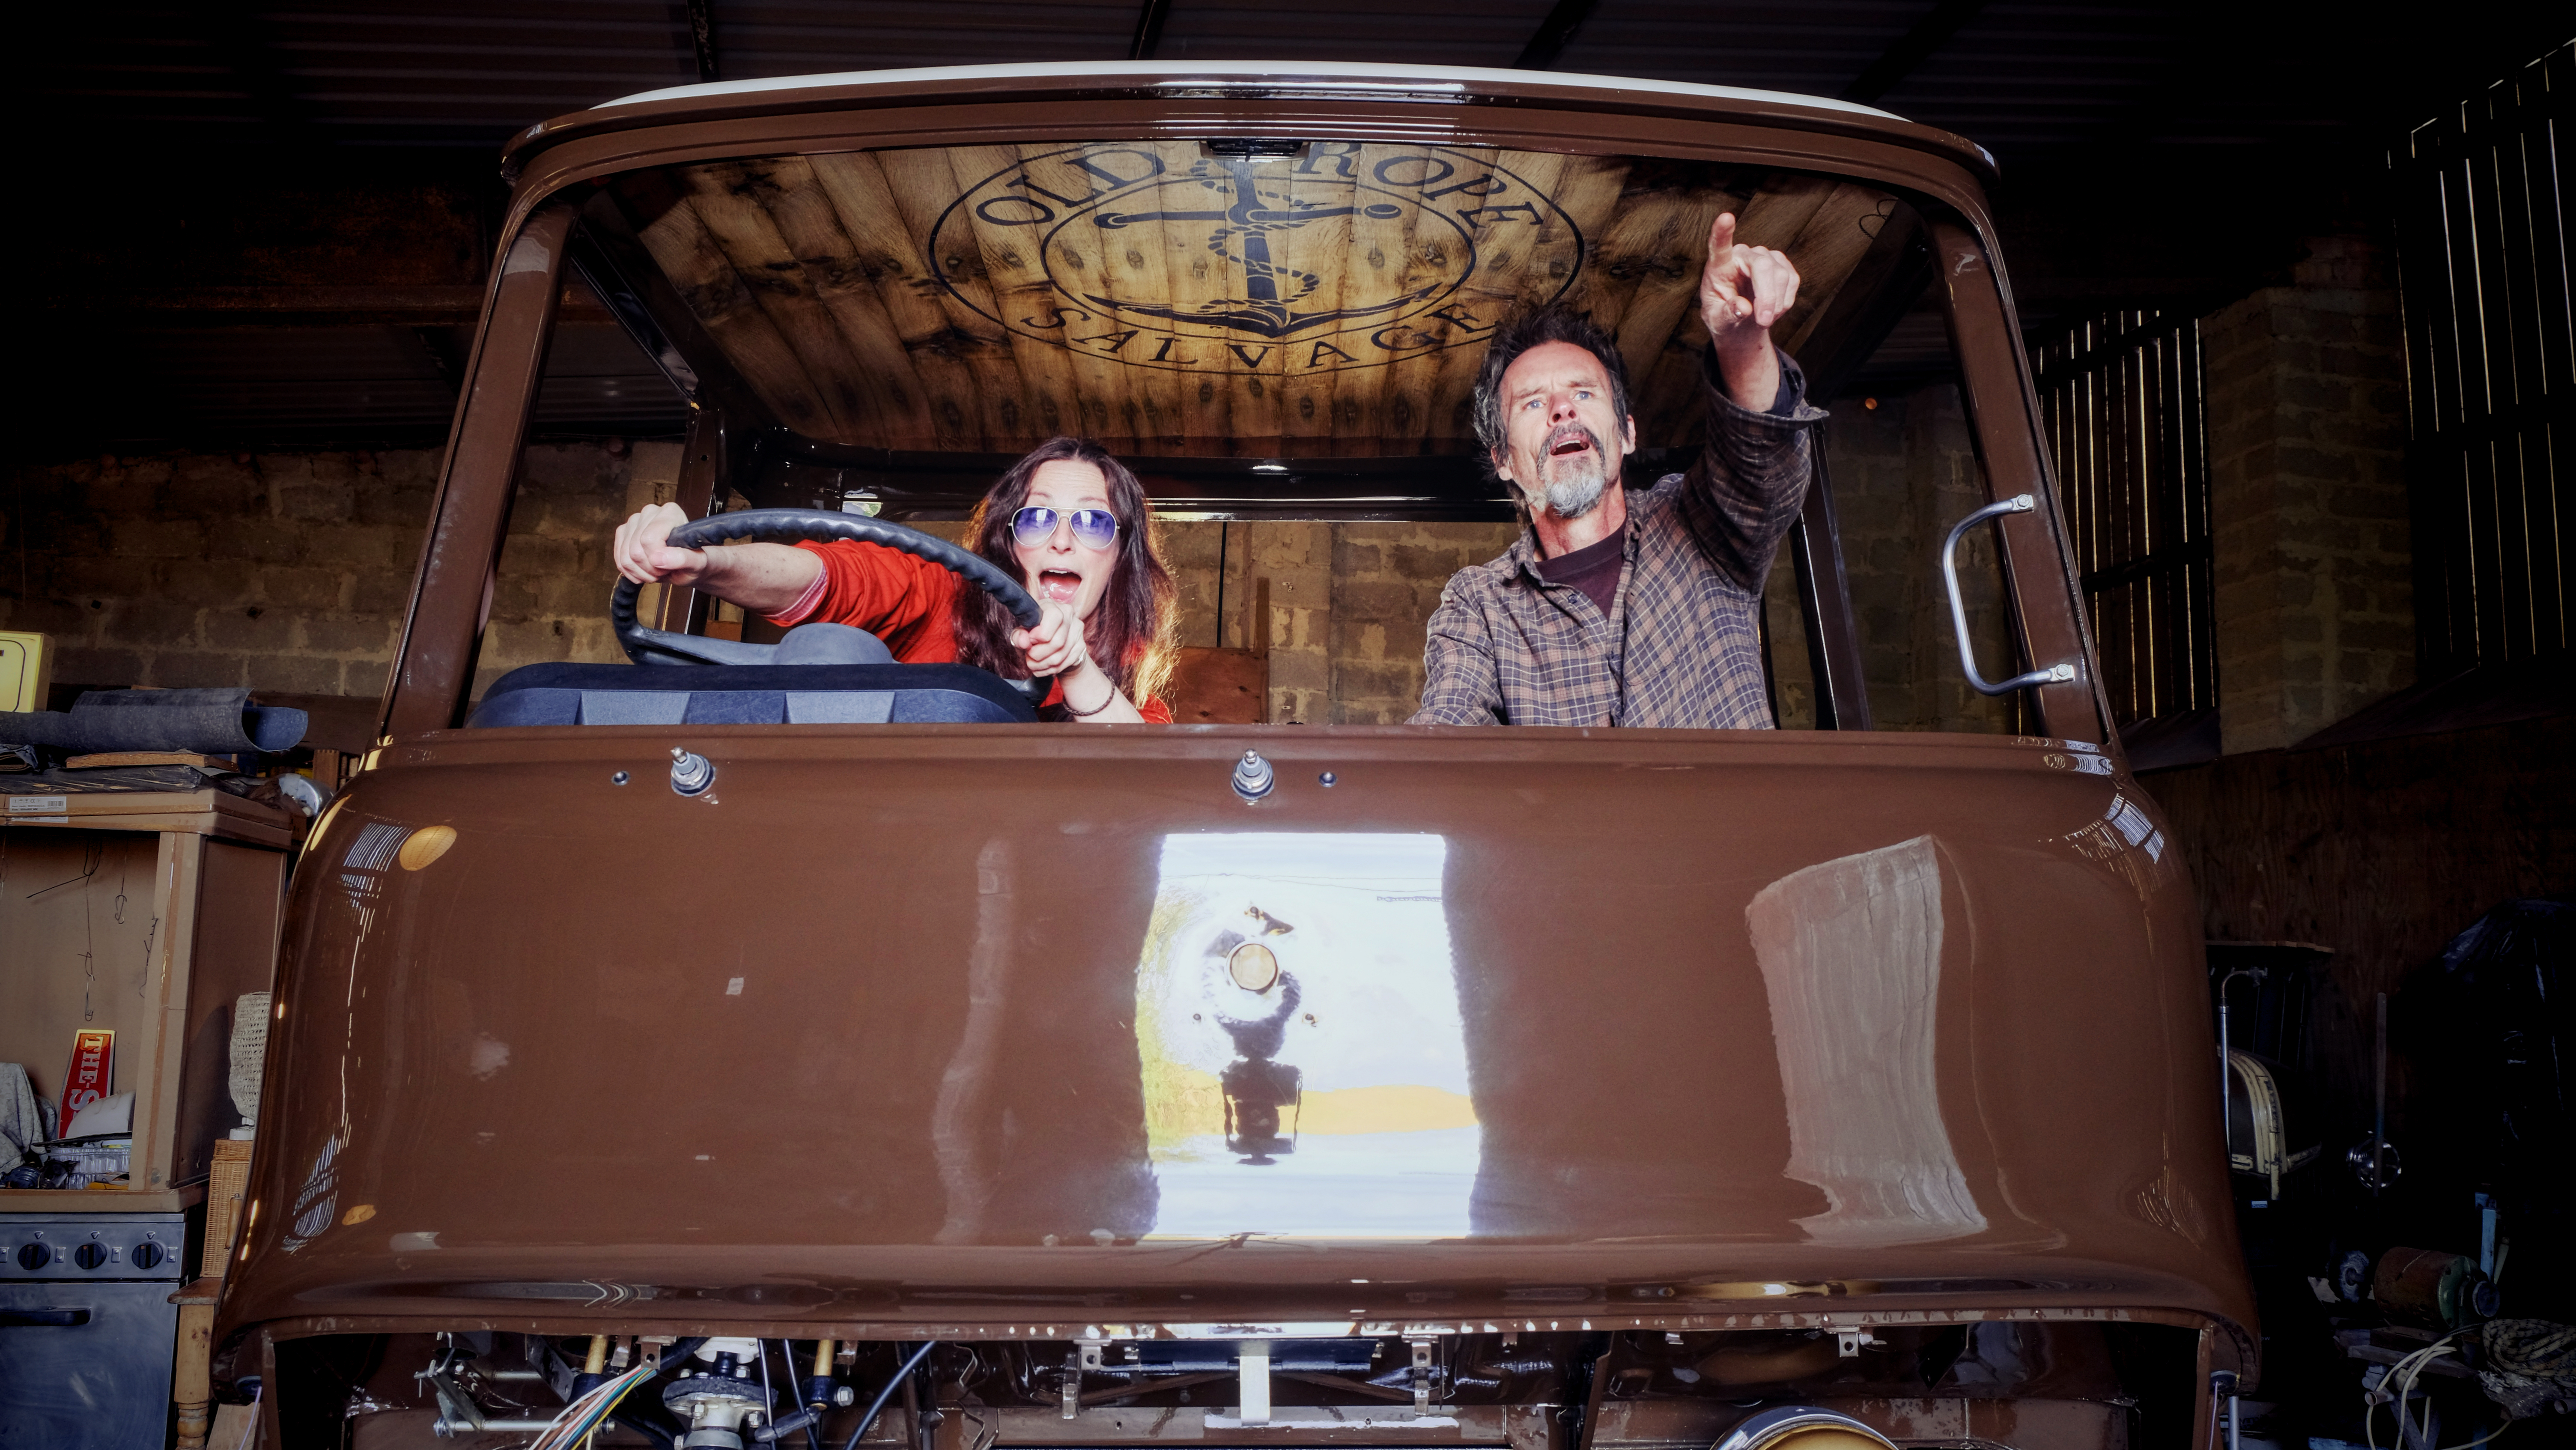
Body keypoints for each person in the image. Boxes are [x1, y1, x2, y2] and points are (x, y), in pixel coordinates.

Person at [1411, 214, 1820, 728]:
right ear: (1504, 461)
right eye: (1533, 403)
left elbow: (1762, 466)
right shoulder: (1479, 603)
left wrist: (1739, 340)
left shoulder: (1700, 525)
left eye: (1584, 393)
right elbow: (1448, 729)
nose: (1563, 409)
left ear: (1626, 433)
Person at [612, 436, 1177, 722]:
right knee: (831, 647)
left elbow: (1146, 792)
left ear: (1120, 555)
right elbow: (839, 578)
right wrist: (708, 562)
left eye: (1093, 522)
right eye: (1037, 518)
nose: (1062, 541)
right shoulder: (944, 597)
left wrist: (1075, 669)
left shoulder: (1137, 709)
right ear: (1010, 542)